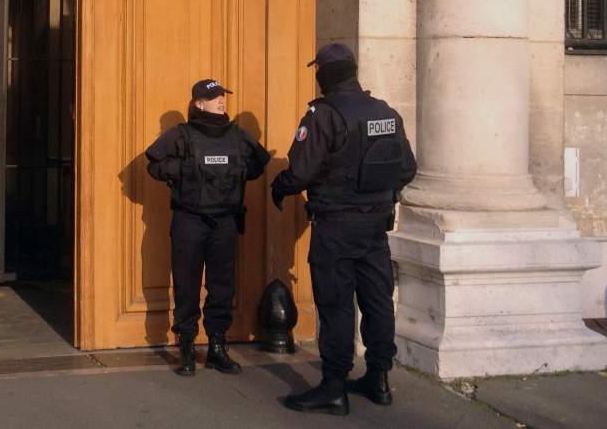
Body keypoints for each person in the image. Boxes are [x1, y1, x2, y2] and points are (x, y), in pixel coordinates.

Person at [271, 44, 417, 416]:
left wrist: (281, 186)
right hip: (375, 227)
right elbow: (407, 169)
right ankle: (379, 379)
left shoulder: (323, 114)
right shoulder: (385, 112)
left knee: (335, 304)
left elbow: (301, 171)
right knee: (377, 302)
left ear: (323, 72)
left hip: (336, 226)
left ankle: (334, 386)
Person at [144, 78, 271, 376]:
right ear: (198, 103)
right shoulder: (181, 134)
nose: (221, 102)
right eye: (214, 98)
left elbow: (258, 163)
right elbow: (154, 165)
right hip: (190, 220)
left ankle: (217, 347)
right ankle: (186, 347)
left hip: (224, 220)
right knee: (187, 285)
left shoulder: (237, 135)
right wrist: (186, 170)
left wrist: (233, 174)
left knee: (222, 286)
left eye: (222, 97)